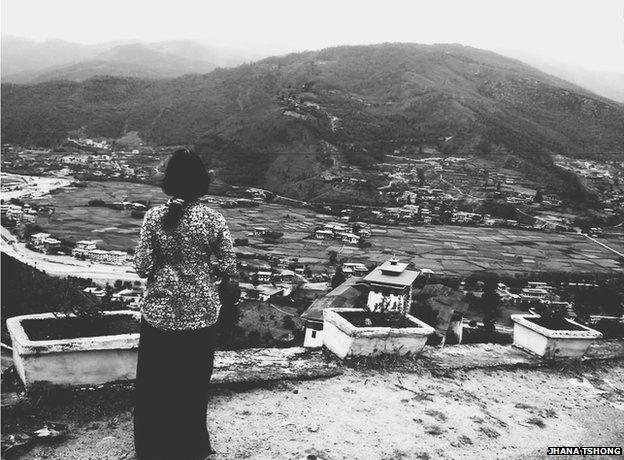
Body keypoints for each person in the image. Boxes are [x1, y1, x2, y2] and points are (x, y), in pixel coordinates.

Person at [133, 148, 239, 459]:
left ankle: (152, 449)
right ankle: (192, 448)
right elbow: (228, 264)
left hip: (159, 316)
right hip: (201, 316)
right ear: (200, 183)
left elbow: (141, 266)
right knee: (192, 386)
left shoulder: (154, 217)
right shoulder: (213, 219)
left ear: (169, 182)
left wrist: (164, 266)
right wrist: (203, 270)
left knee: (154, 387)